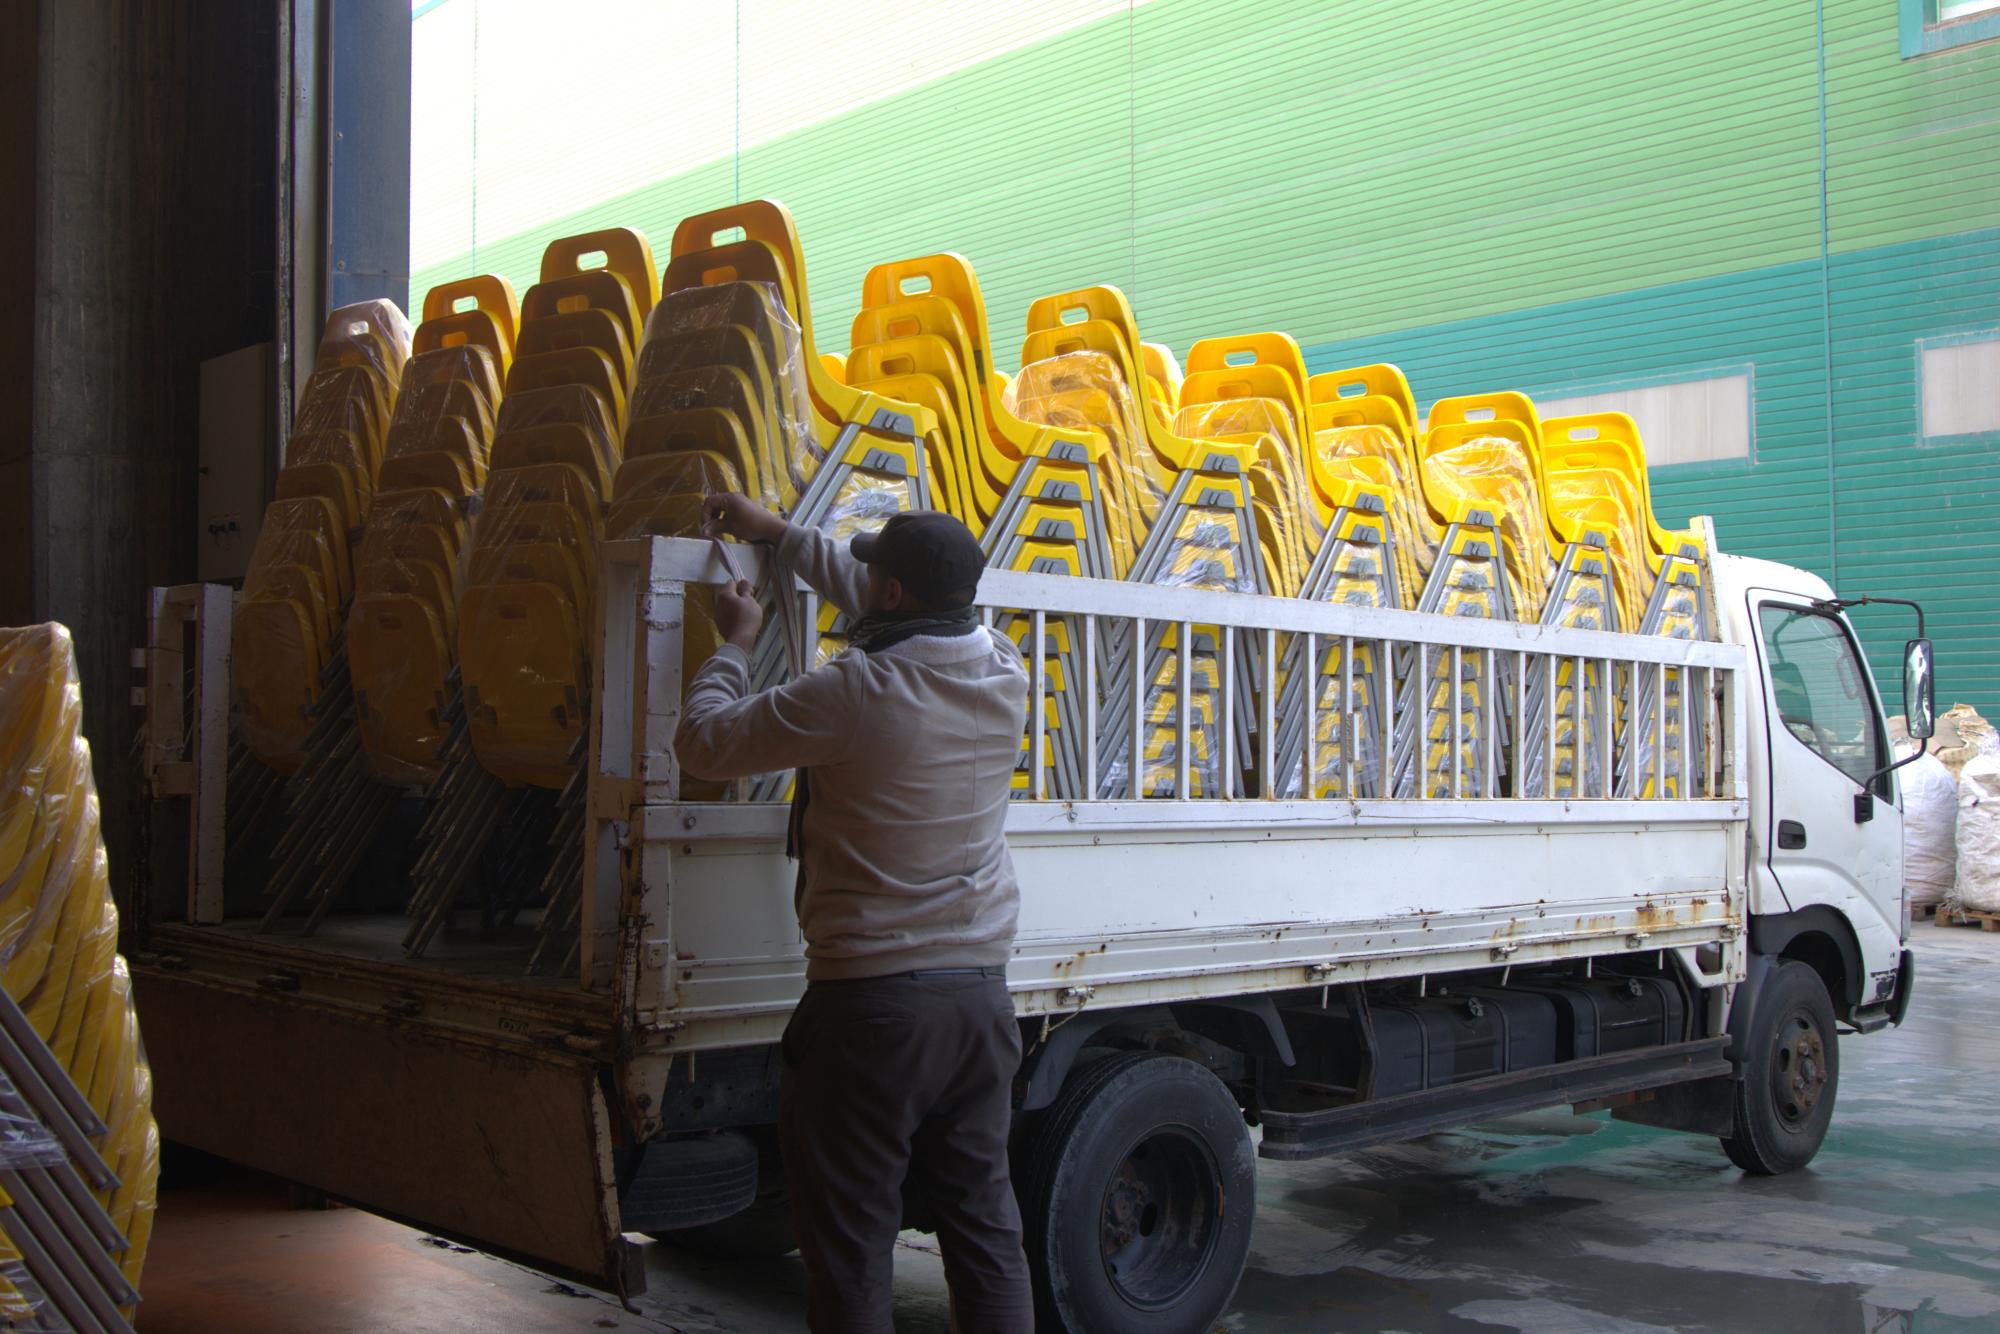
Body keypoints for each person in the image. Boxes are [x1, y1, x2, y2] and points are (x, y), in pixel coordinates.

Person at [676, 493, 1033, 1334]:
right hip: (980, 1003)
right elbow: (889, 603)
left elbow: (706, 744)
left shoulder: (858, 689)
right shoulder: (1004, 666)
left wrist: (734, 643)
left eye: (874, 574)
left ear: (893, 593)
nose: (861, 579)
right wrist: (780, 535)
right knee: (985, 1229)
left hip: (872, 1009)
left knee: (852, 1247)